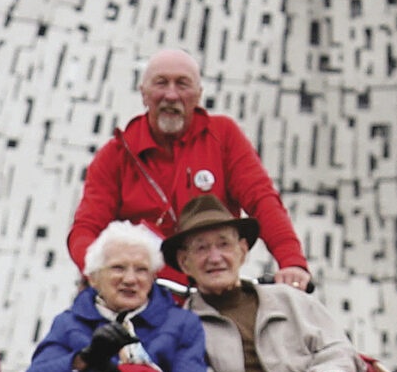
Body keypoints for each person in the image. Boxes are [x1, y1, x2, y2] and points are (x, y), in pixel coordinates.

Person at [66, 49, 311, 289]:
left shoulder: (223, 136)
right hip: (143, 295)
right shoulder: (114, 156)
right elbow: (86, 227)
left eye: (182, 84)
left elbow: (262, 200)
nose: (171, 95)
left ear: (198, 95)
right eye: (161, 83)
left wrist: (291, 262)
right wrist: (95, 270)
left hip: (211, 290)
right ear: (143, 93)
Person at [20, 222, 215, 372]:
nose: (130, 279)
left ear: (153, 278)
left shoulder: (181, 323)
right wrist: (85, 358)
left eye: (141, 270)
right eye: (118, 268)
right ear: (93, 278)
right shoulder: (70, 323)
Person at [165, 197, 362, 372]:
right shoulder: (181, 328)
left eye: (224, 244)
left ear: (242, 251)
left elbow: (338, 348)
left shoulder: (289, 299)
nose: (215, 258)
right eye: (201, 248)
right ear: (184, 262)